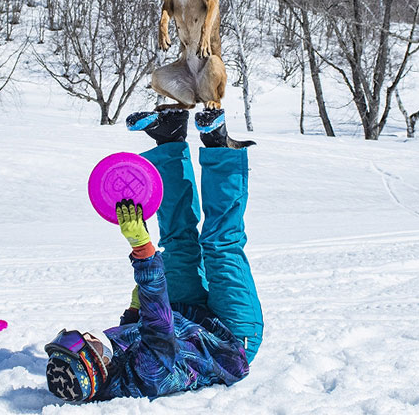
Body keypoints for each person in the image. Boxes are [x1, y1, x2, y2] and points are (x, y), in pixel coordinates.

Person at [45, 108, 264, 402]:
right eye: (80, 343)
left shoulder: (109, 353)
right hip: (229, 340)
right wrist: (142, 249)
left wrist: (134, 307)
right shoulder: (150, 373)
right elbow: (158, 327)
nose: (84, 335)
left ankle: (170, 139)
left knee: (177, 242)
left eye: (70, 336)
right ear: (96, 364)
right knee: (219, 246)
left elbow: (136, 328)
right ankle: (220, 148)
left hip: (185, 313)